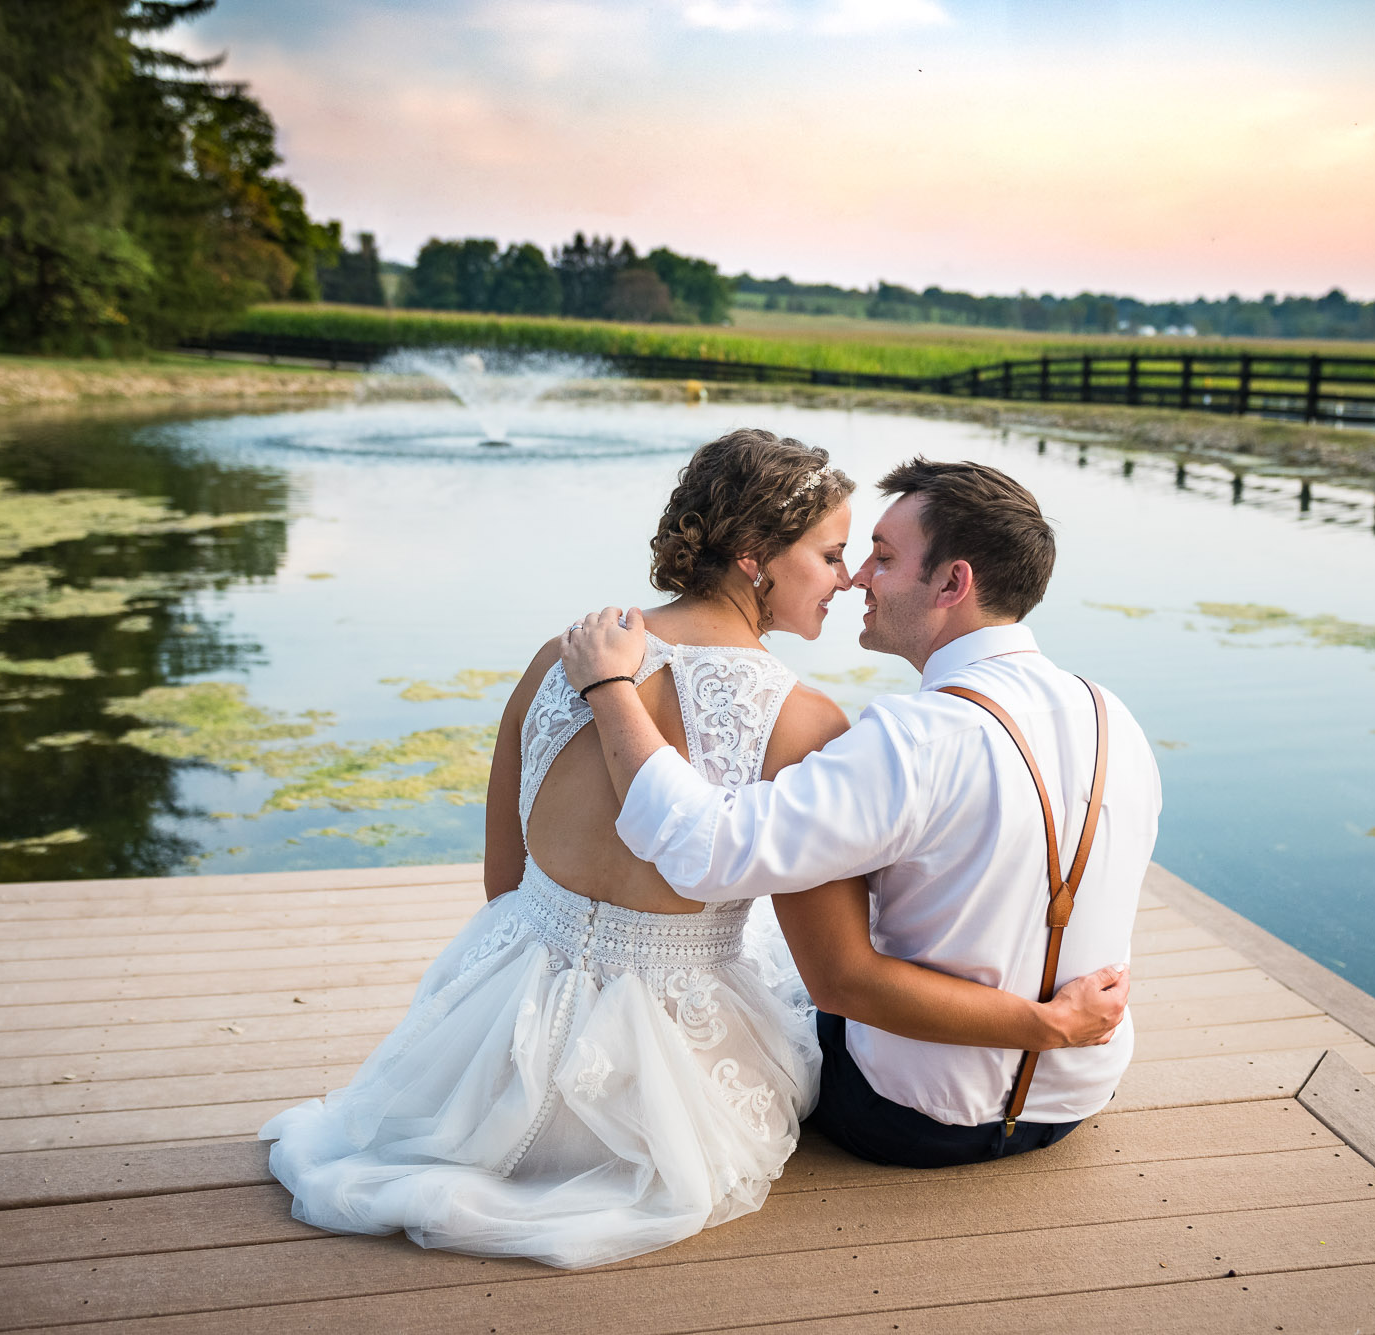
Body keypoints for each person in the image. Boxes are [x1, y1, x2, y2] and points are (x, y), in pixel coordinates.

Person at [260, 431, 1129, 1271]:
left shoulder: (557, 657)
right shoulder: (808, 720)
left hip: (491, 1034)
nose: (848, 576)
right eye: (831, 554)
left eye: (862, 556)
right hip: (659, 1082)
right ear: (757, 553)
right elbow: (827, 962)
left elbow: (504, 882)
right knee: (774, 967)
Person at [561, 455, 1161, 1170]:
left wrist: (608, 688)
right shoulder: (1114, 713)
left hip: (912, 1117)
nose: (858, 579)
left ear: (952, 582)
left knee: (776, 975)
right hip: (1077, 1095)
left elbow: (705, 849)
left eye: (882, 557)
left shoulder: (914, 739)